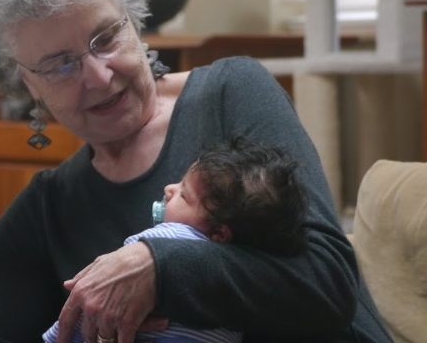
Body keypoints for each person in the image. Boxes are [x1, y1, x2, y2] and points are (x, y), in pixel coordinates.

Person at [0, 0, 392, 343]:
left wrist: (157, 267)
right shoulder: (46, 212)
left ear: (134, 20)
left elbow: (328, 284)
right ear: (24, 83)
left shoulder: (229, 93)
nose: (99, 75)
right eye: (60, 64)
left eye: (105, 37)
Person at [42, 137, 308, 343]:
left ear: (220, 234)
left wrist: (56, 336)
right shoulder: (249, 280)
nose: (170, 189)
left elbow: (98, 299)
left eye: (184, 195)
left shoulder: (164, 240)